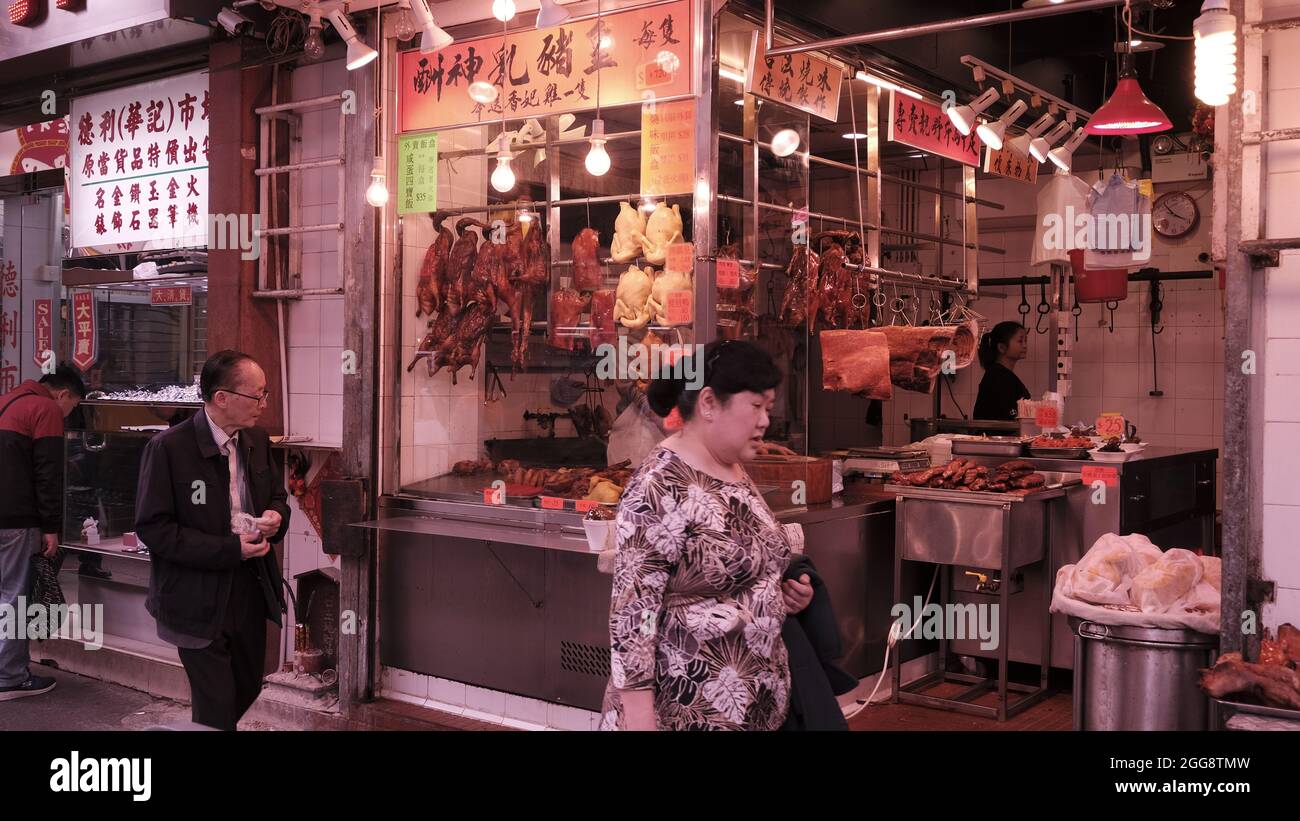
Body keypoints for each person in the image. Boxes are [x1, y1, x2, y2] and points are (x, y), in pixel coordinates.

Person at [599, 340, 815, 731]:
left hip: (753, 712)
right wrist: (641, 722)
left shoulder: (732, 470)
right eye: (756, 406)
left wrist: (780, 594)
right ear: (710, 403)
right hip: (682, 714)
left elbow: (733, 569)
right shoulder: (660, 484)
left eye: (768, 407)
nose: (766, 420)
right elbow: (633, 616)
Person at [135, 350, 290, 730]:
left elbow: (277, 496)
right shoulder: (170, 448)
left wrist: (275, 517)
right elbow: (153, 528)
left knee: (250, 683)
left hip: (249, 587)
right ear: (221, 398)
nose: (264, 404)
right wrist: (228, 550)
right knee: (217, 706)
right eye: (257, 395)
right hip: (194, 595)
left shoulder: (255, 440)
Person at [0, 365, 85, 701]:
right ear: (63, 394)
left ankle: (11, 670)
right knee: (13, 596)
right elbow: (48, 472)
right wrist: (51, 526)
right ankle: (8, 677)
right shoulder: (45, 408)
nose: (69, 413)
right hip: (16, 519)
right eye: (74, 406)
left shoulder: (8, 400)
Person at [973, 321, 1031, 421]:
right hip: (996, 435)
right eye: (1020, 341)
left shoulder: (1003, 374)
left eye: (1026, 341)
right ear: (1002, 347)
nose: (1025, 345)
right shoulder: (997, 376)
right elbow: (1007, 415)